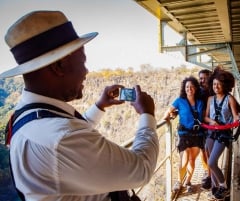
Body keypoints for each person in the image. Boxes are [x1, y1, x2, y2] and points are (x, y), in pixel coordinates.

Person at [1, 10, 159, 201]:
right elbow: (141, 169)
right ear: (59, 66)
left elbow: (73, 134)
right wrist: (147, 115)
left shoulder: (29, 118)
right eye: (83, 61)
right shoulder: (60, 138)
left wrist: (100, 106)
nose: (86, 71)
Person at [204, 66, 240, 199]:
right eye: (214, 84)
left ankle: (224, 186)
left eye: (219, 84)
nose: (216, 86)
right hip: (211, 132)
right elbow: (205, 117)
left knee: (211, 162)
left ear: (224, 85)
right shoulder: (210, 99)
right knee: (211, 162)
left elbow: (235, 117)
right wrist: (211, 121)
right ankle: (215, 187)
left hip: (223, 134)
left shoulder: (230, 99)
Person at [163, 76, 205, 193]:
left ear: (196, 88)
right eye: (187, 87)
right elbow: (168, 112)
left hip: (197, 134)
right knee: (184, 158)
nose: (189, 89)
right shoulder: (179, 101)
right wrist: (169, 116)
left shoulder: (200, 102)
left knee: (192, 160)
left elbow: (204, 116)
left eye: (191, 87)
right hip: (184, 134)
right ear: (184, 88)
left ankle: (188, 182)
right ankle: (179, 181)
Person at [198, 69, 212, 189]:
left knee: (210, 150)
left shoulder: (214, 90)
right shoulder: (199, 92)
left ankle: (211, 174)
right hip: (202, 126)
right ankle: (208, 173)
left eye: (204, 78)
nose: (202, 81)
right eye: (200, 78)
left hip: (214, 125)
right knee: (203, 150)